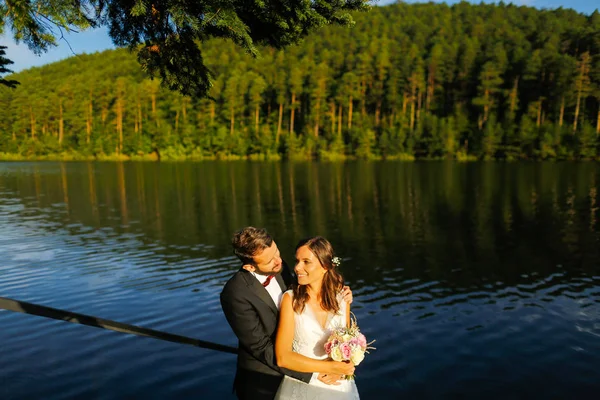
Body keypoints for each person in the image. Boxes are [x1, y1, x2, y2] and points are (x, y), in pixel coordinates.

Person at [220, 227, 355, 400]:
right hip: (264, 379)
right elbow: (261, 348)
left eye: (277, 252)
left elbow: (308, 294)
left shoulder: (279, 267)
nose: (278, 261)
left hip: (313, 366)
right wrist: (317, 372)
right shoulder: (235, 293)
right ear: (249, 266)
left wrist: (340, 294)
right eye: (269, 261)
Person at [274, 236, 360, 399]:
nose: (297, 268)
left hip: (339, 387)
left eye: (306, 262)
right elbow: (282, 357)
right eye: (297, 261)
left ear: (325, 266)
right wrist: (329, 368)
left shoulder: (343, 298)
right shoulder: (291, 300)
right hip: (303, 385)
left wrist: (346, 367)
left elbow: (348, 345)